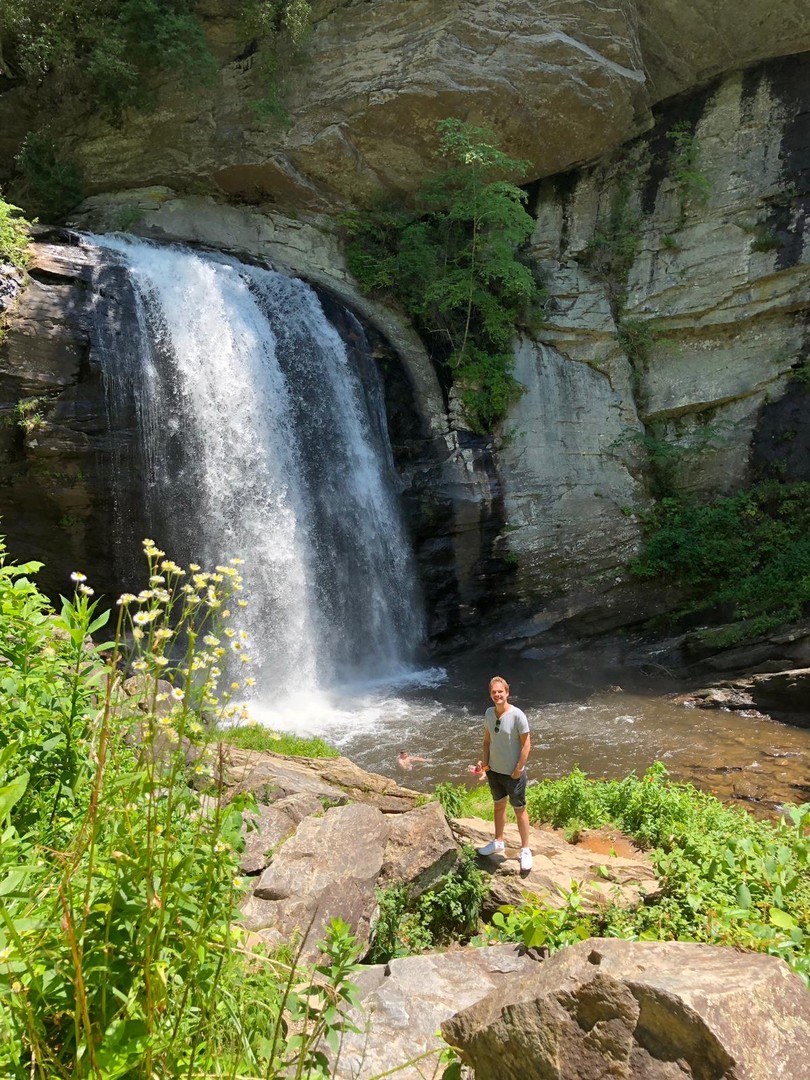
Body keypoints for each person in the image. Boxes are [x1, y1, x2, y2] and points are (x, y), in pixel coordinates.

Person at [476, 676, 533, 872]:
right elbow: (486, 740)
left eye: (500, 691)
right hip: (494, 771)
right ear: (490, 695)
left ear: (507, 693)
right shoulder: (489, 713)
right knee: (498, 806)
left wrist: (518, 769)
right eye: (494, 692)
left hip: (513, 773)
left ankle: (525, 849)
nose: (497, 695)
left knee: (519, 810)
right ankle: (498, 841)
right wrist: (485, 764)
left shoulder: (518, 715)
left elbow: (527, 744)